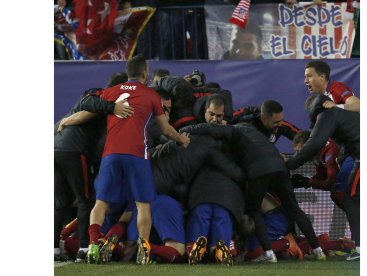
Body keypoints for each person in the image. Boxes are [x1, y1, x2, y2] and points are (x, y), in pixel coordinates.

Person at [86, 55, 190, 265]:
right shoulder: (151, 94)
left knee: (101, 203)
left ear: (127, 73)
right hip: (137, 154)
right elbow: (166, 129)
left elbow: (87, 106)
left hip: (111, 154)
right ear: (145, 74)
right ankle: (144, 250)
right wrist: (182, 139)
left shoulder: (111, 92)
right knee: (143, 205)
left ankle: (93, 245)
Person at [180, 122, 325, 263]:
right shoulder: (259, 137)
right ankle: (317, 250)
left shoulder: (234, 132)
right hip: (280, 169)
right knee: (295, 210)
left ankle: (269, 253)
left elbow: (211, 128)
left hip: (261, 178)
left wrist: (185, 129)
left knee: (254, 212)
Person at [54, 72, 131, 263]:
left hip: (58, 148)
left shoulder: (101, 105)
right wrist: (113, 106)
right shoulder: (100, 95)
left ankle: (53, 248)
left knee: (63, 202)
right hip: (74, 151)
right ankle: (83, 248)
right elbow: (89, 102)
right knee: (85, 200)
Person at [286, 94, 360, 261]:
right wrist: (309, 181)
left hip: (359, 157)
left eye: (300, 151)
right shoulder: (324, 151)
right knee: (349, 198)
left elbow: (330, 181)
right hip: (356, 156)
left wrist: (296, 170)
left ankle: (360, 247)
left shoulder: (328, 151)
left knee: (347, 198)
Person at [231, 100, 300, 144]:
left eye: (281, 120)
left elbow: (303, 137)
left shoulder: (281, 125)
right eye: (276, 122)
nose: (280, 124)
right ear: (264, 119)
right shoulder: (245, 119)